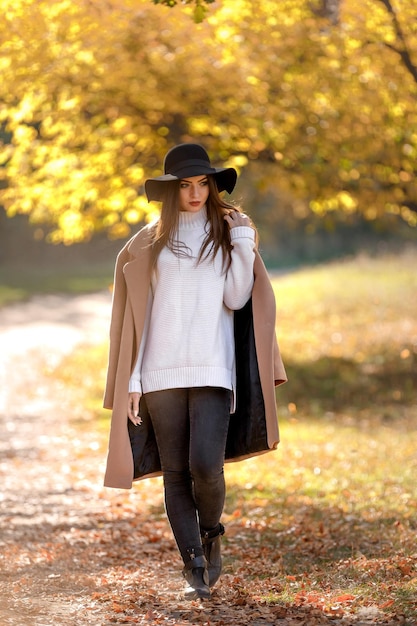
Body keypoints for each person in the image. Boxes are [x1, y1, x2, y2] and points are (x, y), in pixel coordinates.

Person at [103, 143, 287, 600]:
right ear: (170, 191)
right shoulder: (147, 243)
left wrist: (244, 244)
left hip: (212, 369)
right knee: (175, 473)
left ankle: (211, 536)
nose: (195, 193)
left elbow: (237, 299)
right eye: (185, 185)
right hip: (158, 373)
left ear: (212, 186)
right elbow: (130, 318)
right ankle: (195, 566)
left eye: (202, 183)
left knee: (206, 465)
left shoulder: (228, 235)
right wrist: (131, 379)